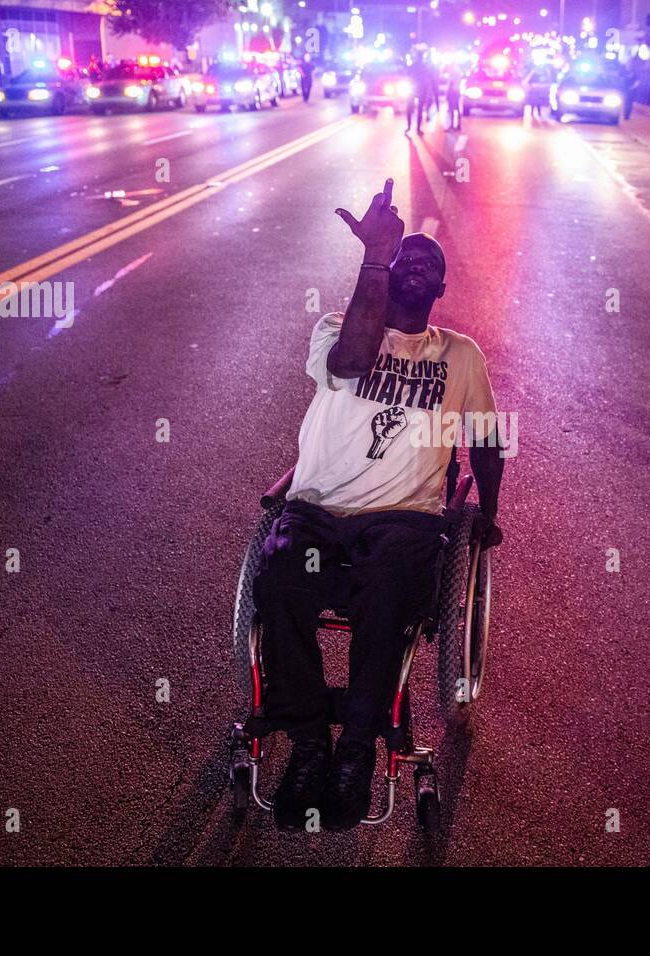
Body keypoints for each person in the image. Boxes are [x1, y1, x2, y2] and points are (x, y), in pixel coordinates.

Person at [253, 179, 504, 832]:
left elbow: (487, 443)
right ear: (387, 272)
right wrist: (374, 257)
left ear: (442, 289)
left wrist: (487, 518)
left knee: (394, 594)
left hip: (402, 522)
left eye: (431, 263)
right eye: (406, 259)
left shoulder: (461, 355)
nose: (417, 264)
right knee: (279, 579)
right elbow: (354, 361)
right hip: (316, 513)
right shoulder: (338, 327)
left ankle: (356, 750)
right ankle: (309, 745)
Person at [405, 51, 435, 135]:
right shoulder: (424, 67)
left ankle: (410, 127)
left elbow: (408, 76)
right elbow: (428, 79)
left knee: (411, 109)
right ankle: (416, 128)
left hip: (415, 89)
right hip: (419, 89)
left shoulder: (413, 67)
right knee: (418, 110)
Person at [444, 64, 463, 130]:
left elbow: (451, 83)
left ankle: (452, 125)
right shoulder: (458, 70)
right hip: (456, 91)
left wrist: (447, 94)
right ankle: (458, 125)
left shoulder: (453, 72)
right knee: (457, 109)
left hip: (453, 92)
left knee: (452, 109)